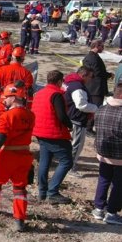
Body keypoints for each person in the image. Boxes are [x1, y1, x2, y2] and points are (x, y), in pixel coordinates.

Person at [0, 82, 35, 232]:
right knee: (20, 187)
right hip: (24, 155)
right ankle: (19, 219)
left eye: (6, 97)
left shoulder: (7, 116)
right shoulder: (30, 115)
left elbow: (0, 138)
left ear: (13, 97)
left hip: (7, 154)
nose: (4, 99)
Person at [32, 70, 74, 204]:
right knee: (67, 161)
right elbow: (61, 116)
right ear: (59, 82)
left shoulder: (39, 93)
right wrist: (70, 125)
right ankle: (53, 192)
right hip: (54, 133)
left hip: (40, 131)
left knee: (45, 161)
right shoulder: (56, 95)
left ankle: (42, 192)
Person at [91, 83, 122, 224]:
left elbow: (93, 127)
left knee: (103, 179)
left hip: (103, 152)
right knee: (119, 184)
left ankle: (98, 208)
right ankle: (112, 212)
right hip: (120, 155)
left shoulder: (101, 109)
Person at [63, 66, 98, 176]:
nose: (91, 79)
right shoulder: (78, 87)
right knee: (76, 145)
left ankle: (66, 164)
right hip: (77, 119)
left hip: (69, 116)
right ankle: (70, 167)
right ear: (83, 75)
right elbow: (81, 105)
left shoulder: (69, 82)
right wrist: (96, 108)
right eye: (90, 77)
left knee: (69, 144)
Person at [0, 47, 34, 117]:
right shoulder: (27, 73)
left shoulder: (2, 70)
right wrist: (29, 105)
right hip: (19, 102)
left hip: (4, 100)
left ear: (12, 57)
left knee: (2, 122)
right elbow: (29, 91)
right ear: (23, 59)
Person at [82, 39, 112, 134]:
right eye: (102, 46)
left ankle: (87, 126)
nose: (103, 48)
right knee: (95, 108)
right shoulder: (92, 58)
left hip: (93, 86)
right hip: (95, 88)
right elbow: (98, 72)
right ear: (96, 46)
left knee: (92, 107)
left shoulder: (92, 56)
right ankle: (88, 128)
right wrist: (109, 75)